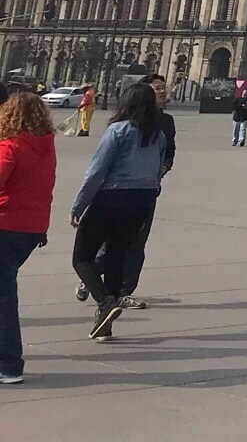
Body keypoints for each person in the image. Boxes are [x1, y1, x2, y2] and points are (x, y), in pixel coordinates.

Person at [70, 82, 168, 340]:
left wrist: (79, 205)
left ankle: (105, 302)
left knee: (82, 257)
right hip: (142, 200)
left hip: (112, 196)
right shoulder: (158, 135)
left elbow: (97, 171)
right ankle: (105, 326)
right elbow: (158, 171)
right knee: (116, 256)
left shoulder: (118, 130)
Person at [0, 90, 57, 382]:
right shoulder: (46, 147)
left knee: (4, 297)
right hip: (31, 228)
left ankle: (9, 364)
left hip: (6, 225)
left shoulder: (9, 147)